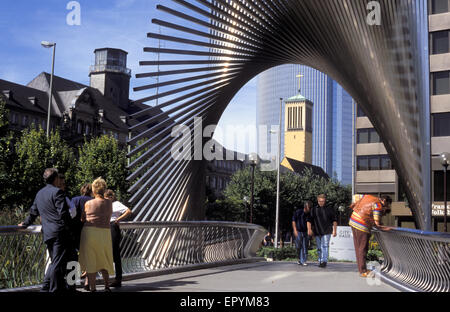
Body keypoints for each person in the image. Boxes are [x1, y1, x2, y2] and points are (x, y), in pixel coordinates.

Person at [19, 168, 71, 292]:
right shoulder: (57, 192)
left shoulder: (39, 193)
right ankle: (53, 289)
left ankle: (47, 287)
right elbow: (63, 213)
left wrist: (25, 224)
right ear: (56, 178)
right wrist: (69, 228)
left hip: (47, 233)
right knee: (57, 264)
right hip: (59, 232)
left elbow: (33, 212)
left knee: (55, 262)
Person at [78, 177, 114, 292]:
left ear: (93, 190)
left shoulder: (88, 203)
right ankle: (107, 286)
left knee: (91, 260)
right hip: (105, 233)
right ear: (104, 190)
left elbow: (83, 218)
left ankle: (93, 288)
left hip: (90, 232)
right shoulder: (109, 203)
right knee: (103, 258)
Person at [349, 194, 392, 277]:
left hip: (353, 220)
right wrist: (386, 228)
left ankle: (361, 269)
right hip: (361, 225)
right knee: (363, 248)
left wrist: (356, 206)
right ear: (384, 201)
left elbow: (355, 197)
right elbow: (377, 223)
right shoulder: (378, 205)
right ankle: (363, 271)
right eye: (387, 204)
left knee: (358, 247)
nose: (386, 206)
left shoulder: (368, 196)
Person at [104, 189, 132, 288]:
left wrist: (118, 219)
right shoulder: (105, 204)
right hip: (106, 227)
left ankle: (118, 278)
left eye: (107, 198)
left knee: (115, 252)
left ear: (111, 197)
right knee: (107, 252)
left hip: (112, 227)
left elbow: (128, 211)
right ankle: (112, 278)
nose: (105, 200)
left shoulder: (116, 204)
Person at [306, 194, 337, 268]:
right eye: (320, 201)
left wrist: (335, 230)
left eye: (322, 201)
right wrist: (309, 229)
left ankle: (324, 261)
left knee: (325, 246)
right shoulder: (313, 210)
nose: (321, 203)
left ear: (325, 201)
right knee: (319, 247)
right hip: (317, 231)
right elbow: (309, 220)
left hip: (327, 231)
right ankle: (320, 260)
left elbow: (334, 220)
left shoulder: (329, 209)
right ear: (317, 200)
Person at [292, 201, 311, 266]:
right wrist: (295, 230)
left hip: (305, 232)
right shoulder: (298, 212)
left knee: (305, 246)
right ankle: (299, 259)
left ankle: (304, 260)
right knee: (298, 246)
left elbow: (309, 222)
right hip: (298, 231)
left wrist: (309, 230)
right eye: (309, 207)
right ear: (305, 207)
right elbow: (293, 221)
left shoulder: (309, 214)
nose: (309, 209)